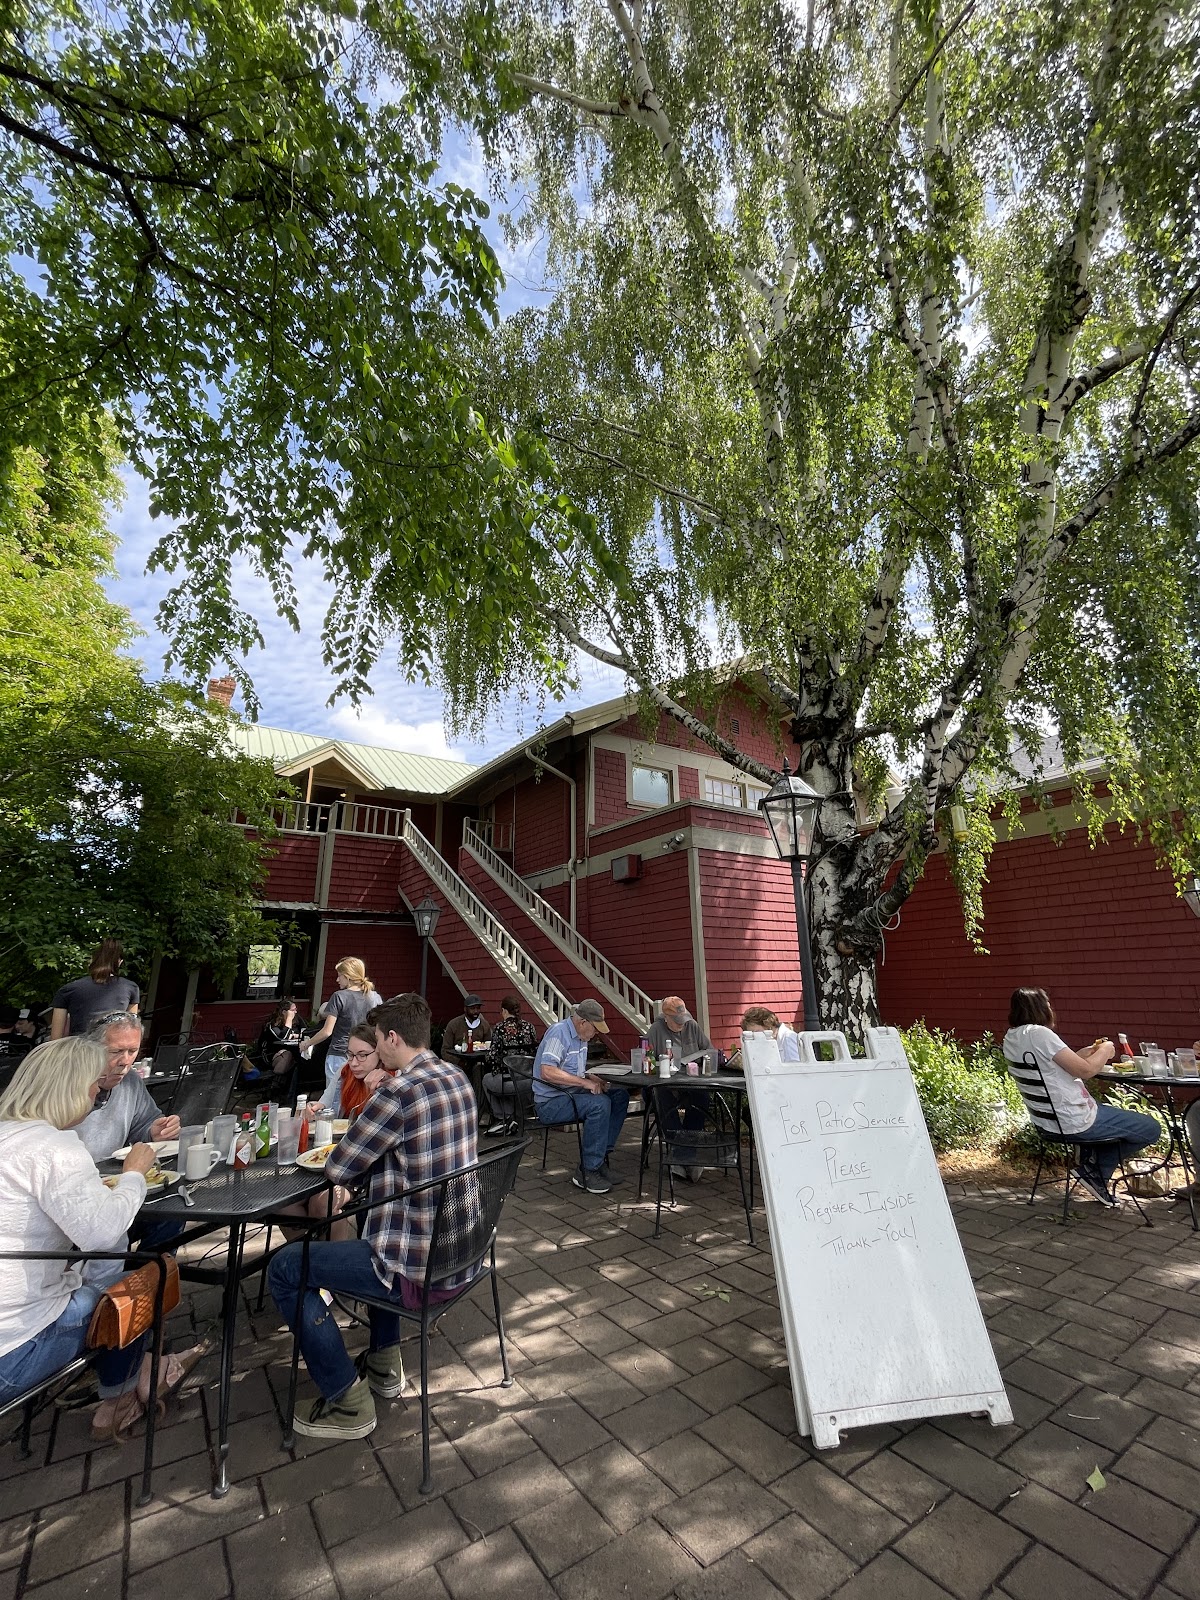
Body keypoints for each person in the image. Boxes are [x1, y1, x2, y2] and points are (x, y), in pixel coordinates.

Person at [269, 992, 479, 1441]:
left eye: (378, 1040)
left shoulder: (397, 1093)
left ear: (392, 1038)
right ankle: (384, 1361)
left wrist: (379, 1100)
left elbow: (339, 1167)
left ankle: (346, 1398)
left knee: (285, 1268)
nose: (376, 1049)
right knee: (375, 1230)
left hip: (418, 1269)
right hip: (463, 1253)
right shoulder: (458, 1078)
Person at [0, 1037, 188, 1439]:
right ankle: (119, 1399)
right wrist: (134, 1173)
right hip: (13, 1354)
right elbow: (104, 1233)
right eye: (93, 1086)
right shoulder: (52, 1147)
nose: (96, 1095)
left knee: (96, 1274)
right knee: (145, 1279)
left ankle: (139, 1367)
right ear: (71, 1088)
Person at [1002, 988, 1160, 1205]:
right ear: (1041, 1008)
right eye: (1048, 1004)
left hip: (1047, 1122)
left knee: (1113, 1118)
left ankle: (1091, 1163)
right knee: (1151, 1128)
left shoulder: (1013, 1037)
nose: (1050, 1008)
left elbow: (1054, 1067)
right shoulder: (1040, 1034)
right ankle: (1094, 1171)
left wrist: (1085, 1053)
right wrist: (1105, 1050)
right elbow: (1085, 1071)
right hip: (1074, 1120)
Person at [533, 999, 629, 1195]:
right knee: (600, 1104)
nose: (596, 1033)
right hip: (550, 1103)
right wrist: (585, 1083)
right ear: (583, 1022)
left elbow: (572, 1070)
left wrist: (592, 1078)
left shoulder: (581, 1037)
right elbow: (547, 1071)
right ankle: (587, 1170)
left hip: (569, 1094)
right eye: (595, 1028)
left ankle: (599, 1159)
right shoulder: (559, 1033)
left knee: (619, 1096)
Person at [300, 958, 382, 1116]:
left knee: (333, 1103)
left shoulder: (339, 996)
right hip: (367, 1056)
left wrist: (308, 1043)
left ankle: (332, 1130)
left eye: (339, 975)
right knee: (362, 1098)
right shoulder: (374, 997)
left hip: (339, 1054)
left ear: (348, 976)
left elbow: (327, 1031)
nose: (337, 980)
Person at [648, 996, 713, 1160]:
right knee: (660, 1096)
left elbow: (709, 1050)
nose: (681, 1024)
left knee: (703, 1097)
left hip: (691, 1082)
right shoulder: (656, 1030)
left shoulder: (691, 1025)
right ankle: (682, 1149)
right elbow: (646, 1060)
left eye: (683, 1019)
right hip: (664, 1083)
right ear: (666, 1017)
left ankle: (684, 1150)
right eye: (677, 1021)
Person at [49, 940, 139, 1039]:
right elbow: (132, 1029)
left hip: (80, 1045)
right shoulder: (131, 988)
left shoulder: (68, 990)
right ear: (119, 962)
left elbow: (55, 1037)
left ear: (93, 960)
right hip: (112, 1045)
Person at [481, 994, 539, 1135]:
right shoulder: (529, 1027)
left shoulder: (500, 1028)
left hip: (508, 1081)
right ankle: (513, 1118)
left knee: (486, 1079)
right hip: (528, 1080)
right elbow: (535, 1052)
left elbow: (492, 1057)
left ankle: (504, 1118)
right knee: (501, 1081)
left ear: (504, 1011)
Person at [313, 1023, 395, 1120]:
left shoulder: (392, 1077)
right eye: (350, 1055)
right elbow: (324, 1103)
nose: (354, 1063)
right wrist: (315, 1108)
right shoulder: (344, 1071)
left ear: (378, 1051)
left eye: (362, 1055)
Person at [244, 1000, 306, 1086]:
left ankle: (294, 1084)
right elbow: (283, 1038)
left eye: (296, 1009)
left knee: (301, 1056)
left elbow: (306, 1032)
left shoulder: (297, 1019)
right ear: (284, 1012)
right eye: (293, 1010)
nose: (295, 1012)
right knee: (288, 1055)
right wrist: (289, 1019)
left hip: (292, 1050)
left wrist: (296, 1035)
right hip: (271, 1054)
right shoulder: (273, 1025)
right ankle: (275, 1083)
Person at [441, 994, 492, 1060]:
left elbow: (488, 1048)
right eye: (472, 1008)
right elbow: (445, 1051)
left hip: (478, 1062)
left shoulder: (484, 1025)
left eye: (478, 1008)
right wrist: (458, 1062)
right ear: (465, 1009)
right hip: (457, 1062)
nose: (476, 1011)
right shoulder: (454, 1024)